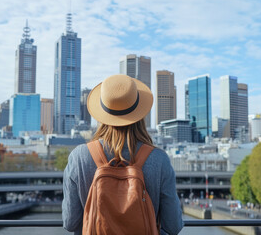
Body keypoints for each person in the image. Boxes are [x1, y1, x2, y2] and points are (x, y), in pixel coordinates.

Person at [62, 74, 183, 234]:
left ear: (102, 113)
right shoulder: (159, 159)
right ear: (139, 114)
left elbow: (70, 222)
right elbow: (173, 225)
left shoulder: (79, 157)